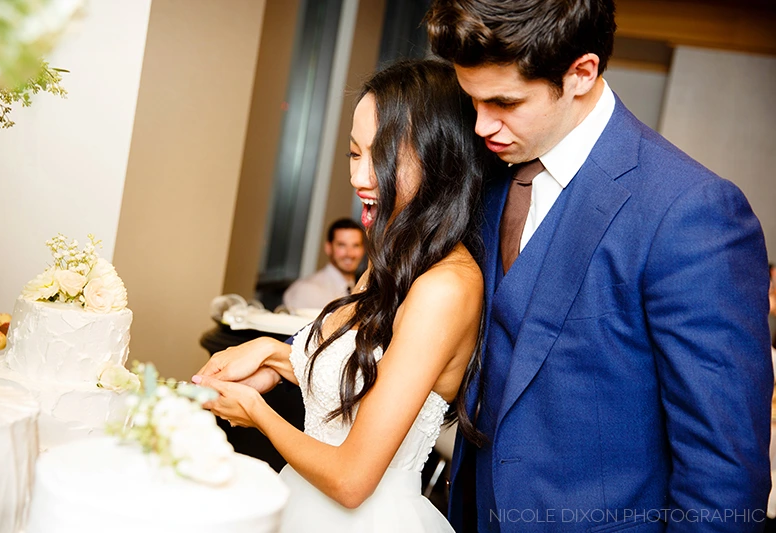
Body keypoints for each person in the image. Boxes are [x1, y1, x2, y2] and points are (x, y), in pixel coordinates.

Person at [424, 1, 772, 531]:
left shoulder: (691, 211)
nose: (480, 124)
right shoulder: (488, 172)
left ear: (582, 73)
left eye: (504, 102)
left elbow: (723, 473)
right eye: (472, 99)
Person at [193, 59, 487, 532]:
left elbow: (352, 479)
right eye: (354, 153)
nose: (360, 178)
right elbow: (359, 376)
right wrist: (271, 354)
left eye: (382, 156)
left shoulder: (445, 287)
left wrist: (258, 414)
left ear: (440, 160)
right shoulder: (394, 255)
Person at [282, 218, 366, 311]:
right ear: (328, 248)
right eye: (342, 245)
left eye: (356, 245)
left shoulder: (362, 290)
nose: (350, 254)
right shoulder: (307, 290)